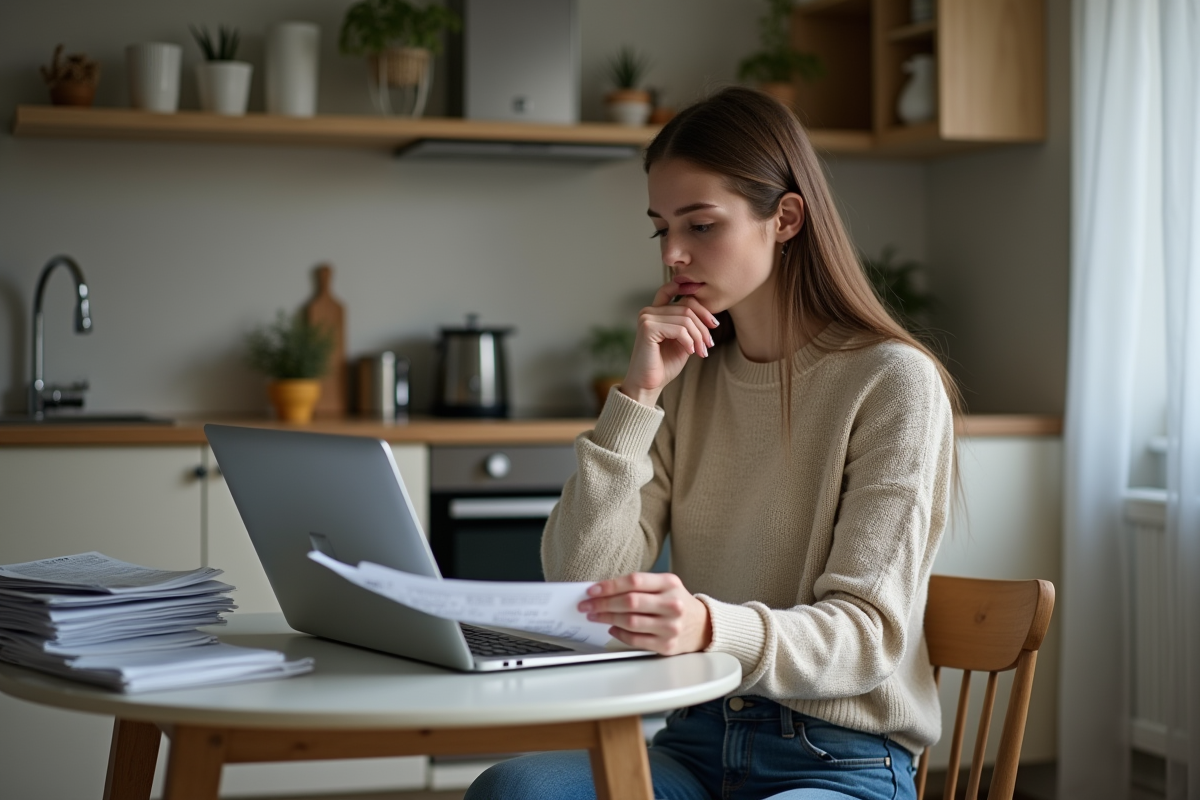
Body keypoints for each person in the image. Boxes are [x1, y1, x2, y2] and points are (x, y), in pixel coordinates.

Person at [465, 86, 959, 800]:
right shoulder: (691, 383)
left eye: (700, 225)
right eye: (660, 227)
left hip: (837, 759)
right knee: (515, 790)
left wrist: (704, 625)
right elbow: (579, 584)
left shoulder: (892, 382)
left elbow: (868, 638)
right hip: (694, 743)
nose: (672, 253)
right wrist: (638, 398)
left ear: (785, 218)